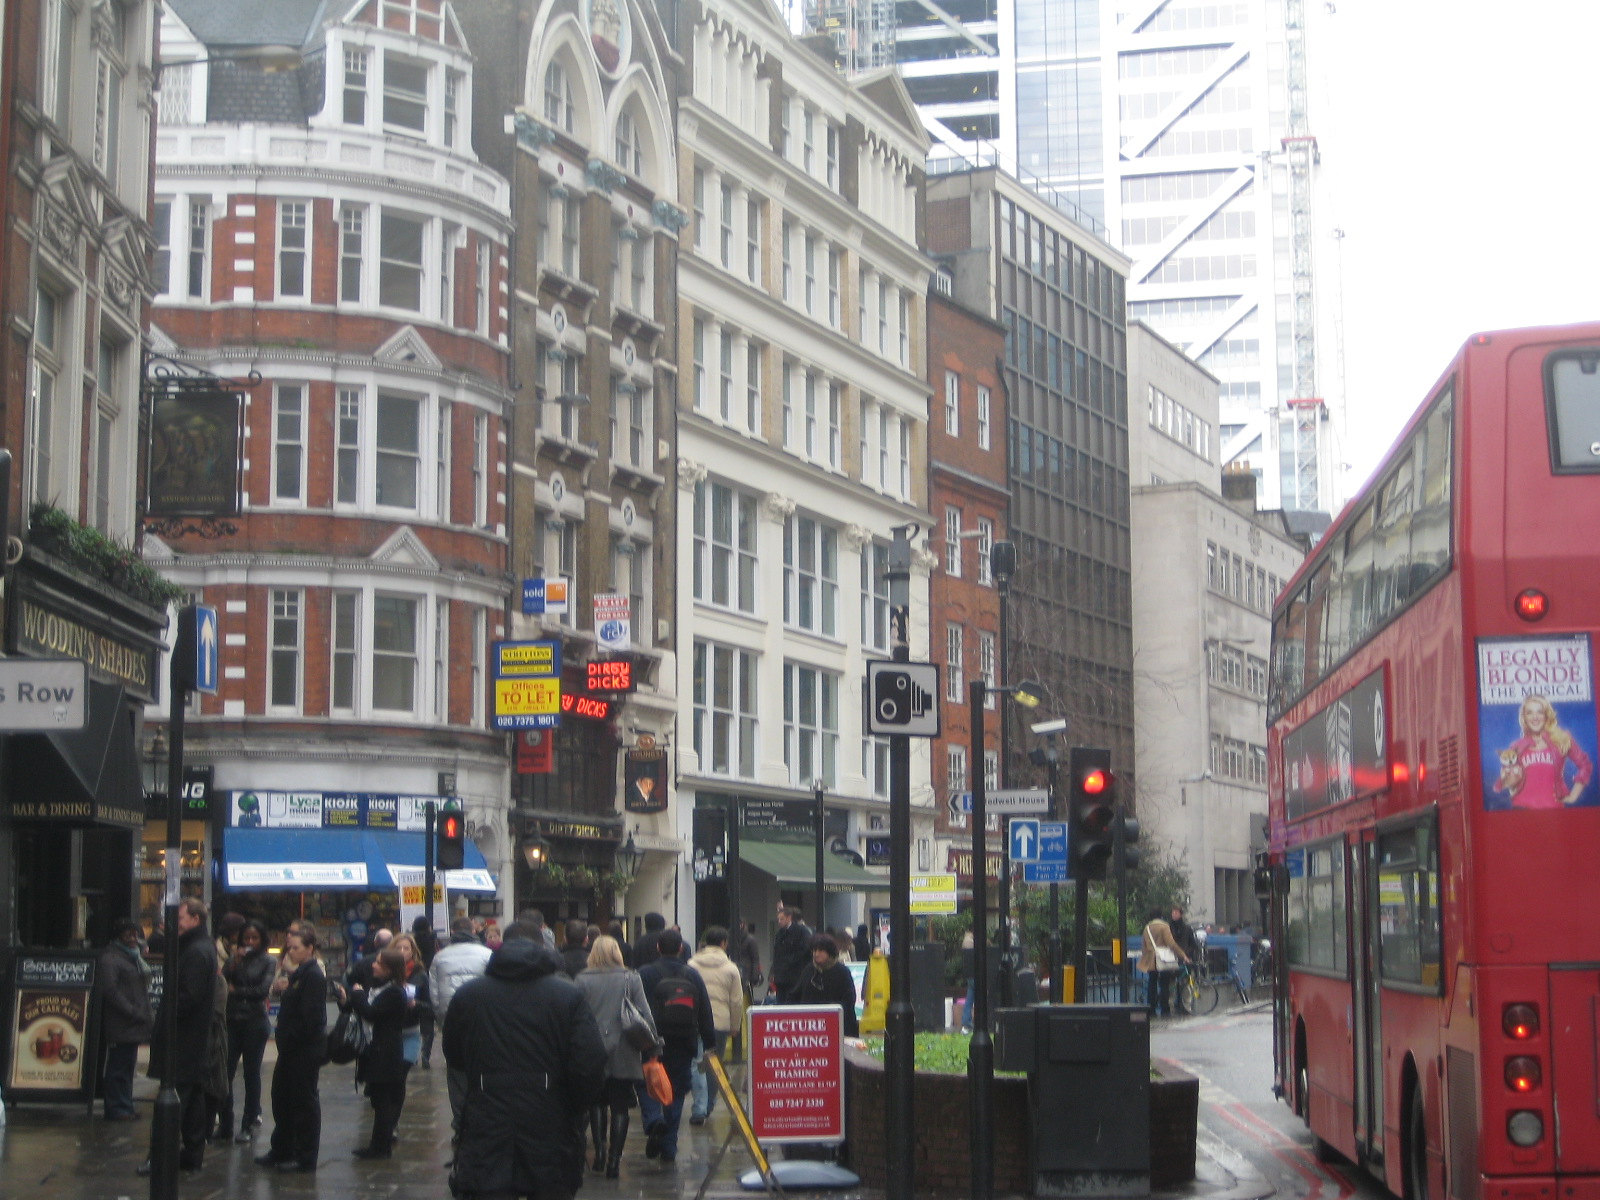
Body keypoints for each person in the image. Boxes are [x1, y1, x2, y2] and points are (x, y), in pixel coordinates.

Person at [443, 920, 608, 1198]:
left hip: (488, 1118)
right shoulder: (567, 996)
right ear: (543, 947)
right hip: (550, 1122)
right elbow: (589, 1063)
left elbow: (455, 1056)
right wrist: (573, 1107)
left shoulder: (469, 996)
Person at [137, 897, 218, 1176]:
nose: (176, 923)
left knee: (172, 1102)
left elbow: (187, 998)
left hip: (183, 1042)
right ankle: (192, 1153)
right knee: (193, 1099)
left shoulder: (196, 951)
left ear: (196, 919)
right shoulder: (197, 947)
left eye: (181, 918)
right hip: (190, 1041)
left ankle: (158, 1156)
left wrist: (167, 1015)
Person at [573, 934, 658, 1178]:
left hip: (592, 1049)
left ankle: (599, 1151)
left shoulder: (581, 980)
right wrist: (653, 1045)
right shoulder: (630, 978)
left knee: (597, 1102)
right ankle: (614, 1161)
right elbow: (645, 1014)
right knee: (620, 1106)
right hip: (624, 1048)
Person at [637, 929, 715, 1164]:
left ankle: (653, 1119)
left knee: (648, 1082)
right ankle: (669, 1143)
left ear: (658, 948)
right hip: (684, 1039)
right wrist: (709, 1042)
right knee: (677, 1089)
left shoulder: (645, 973)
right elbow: (704, 1010)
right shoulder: (692, 975)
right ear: (681, 948)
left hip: (651, 1039)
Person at [256, 926, 326, 1173]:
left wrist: (291, 1037)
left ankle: (305, 1156)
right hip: (290, 1049)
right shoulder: (298, 975)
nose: (291, 951)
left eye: (296, 948)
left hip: (303, 1051)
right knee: (281, 1099)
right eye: (290, 947)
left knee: (303, 1103)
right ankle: (282, 1148)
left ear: (309, 949)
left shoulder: (313, 976)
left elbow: (311, 1019)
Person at [343, 948, 413, 1160]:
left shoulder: (393, 992)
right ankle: (378, 1144)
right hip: (377, 1049)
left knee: (383, 1100)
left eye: (379, 963)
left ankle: (380, 1147)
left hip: (386, 1051)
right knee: (378, 1098)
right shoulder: (380, 988)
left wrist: (357, 994)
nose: (373, 965)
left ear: (389, 969)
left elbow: (371, 1013)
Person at [429, 916, 493, 1142]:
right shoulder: (487, 954)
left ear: (453, 932)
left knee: (456, 1073)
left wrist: (442, 1021)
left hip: (452, 1020)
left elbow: (434, 995)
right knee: (481, 1072)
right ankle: (480, 1121)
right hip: (482, 1022)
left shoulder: (440, 957)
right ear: (474, 931)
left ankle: (460, 1123)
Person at [216, 918, 275, 1143]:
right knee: (226, 1072)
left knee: (251, 1073)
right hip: (232, 1020)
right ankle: (225, 1123)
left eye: (254, 938)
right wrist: (234, 963)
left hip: (254, 1021)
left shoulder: (268, 961)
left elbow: (261, 991)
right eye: (246, 938)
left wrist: (237, 990)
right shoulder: (234, 959)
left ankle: (249, 1122)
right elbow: (222, 983)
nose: (249, 942)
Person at [97, 917, 154, 1121]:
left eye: (135, 934)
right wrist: (132, 1010)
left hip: (132, 1022)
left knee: (127, 1067)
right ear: (118, 937)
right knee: (118, 1068)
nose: (133, 938)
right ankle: (117, 1108)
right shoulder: (111, 958)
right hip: (121, 1022)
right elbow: (111, 991)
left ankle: (125, 1106)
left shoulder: (132, 957)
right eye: (128, 934)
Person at [687, 926, 744, 1126]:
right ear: (724, 944)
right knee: (714, 1064)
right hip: (719, 1022)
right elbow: (736, 1001)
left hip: (694, 1020)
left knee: (696, 1063)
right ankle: (709, 1105)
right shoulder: (731, 968)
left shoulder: (691, 965)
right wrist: (735, 1025)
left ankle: (699, 1107)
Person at [1496, 694, 1594, 808]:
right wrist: (1508, 778)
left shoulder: (1562, 739)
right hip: (1520, 809)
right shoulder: (1516, 746)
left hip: (1553, 810)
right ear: (1524, 718)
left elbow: (1585, 765)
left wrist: (1573, 796)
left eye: (1540, 712)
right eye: (1530, 713)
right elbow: (1509, 782)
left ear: (1547, 715)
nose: (1535, 717)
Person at [791, 934, 859, 1036]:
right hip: (811, 1028)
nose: (816, 954)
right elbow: (795, 995)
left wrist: (831, 1011)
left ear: (830, 953)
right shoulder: (808, 970)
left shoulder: (842, 972)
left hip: (838, 1028)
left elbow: (849, 1000)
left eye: (820, 951)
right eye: (814, 951)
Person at [391, 933, 433, 1071]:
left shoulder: (419, 974)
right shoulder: (384, 970)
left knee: (403, 1069)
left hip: (410, 1028)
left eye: (406, 948)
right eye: (398, 948)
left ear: (413, 951)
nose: (402, 951)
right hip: (388, 1030)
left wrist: (416, 1004)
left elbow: (429, 1005)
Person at [1139, 911, 1190, 1018]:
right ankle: (1164, 1010)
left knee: (1152, 984)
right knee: (1164, 985)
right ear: (1161, 916)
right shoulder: (1164, 926)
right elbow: (1171, 943)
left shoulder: (1146, 928)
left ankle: (1151, 1010)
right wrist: (1182, 955)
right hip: (1163, 960)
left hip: (1151, 960)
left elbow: (1143, 945)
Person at [768, 905, 812, 1003]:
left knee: (791, 1002)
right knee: (781, 1002)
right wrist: (774, 971)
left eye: (782, 919)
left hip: (794, 976)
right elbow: (777, 955)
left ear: (789, 918)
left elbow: (803, 951)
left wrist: (789, 961)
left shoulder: (800, 932)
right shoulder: (779, 934)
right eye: (778, 919)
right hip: (781, 977)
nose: (779, 921)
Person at [1168, 907, 1200, 1015]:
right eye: (1173, 912)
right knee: (1172, 984)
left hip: (1185, 959)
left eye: (1176, 913)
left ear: (1181, 915)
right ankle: (1171, 1007)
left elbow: (1193, 944)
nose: (1174, 914)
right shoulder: (1168, 928)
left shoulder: (1187, 929)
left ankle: (1186, 1006)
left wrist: (1188, 954)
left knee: (1186, 984)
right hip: (1171, 959)